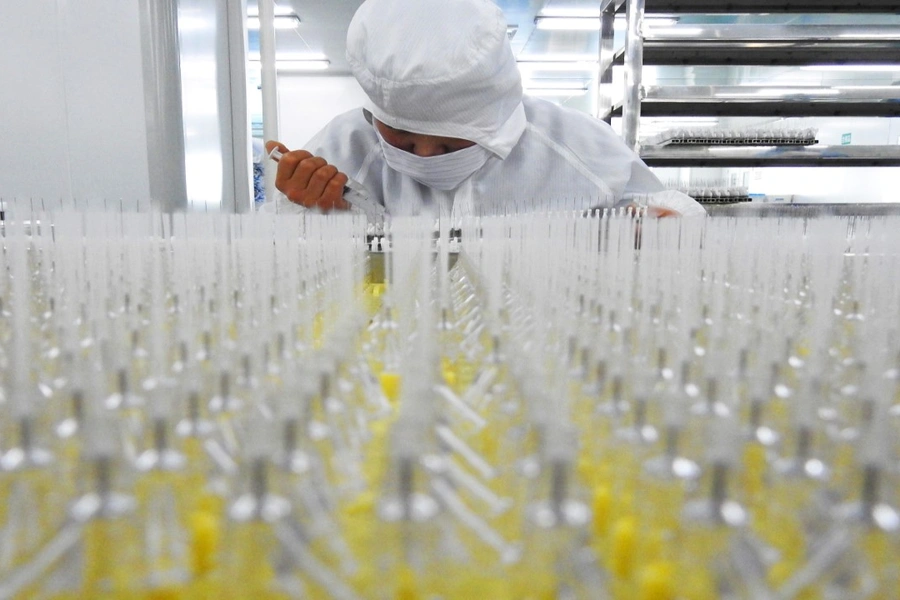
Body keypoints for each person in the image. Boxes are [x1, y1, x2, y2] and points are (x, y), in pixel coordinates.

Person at [265, 0, 705, 219]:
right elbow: (274, 262)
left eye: (448, 143)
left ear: (495, 115)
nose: (422, 156)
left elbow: (672, 214)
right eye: (401, 137)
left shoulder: (577, 149)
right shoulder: (341, 150)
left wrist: (666, 227)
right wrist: (302, 210)